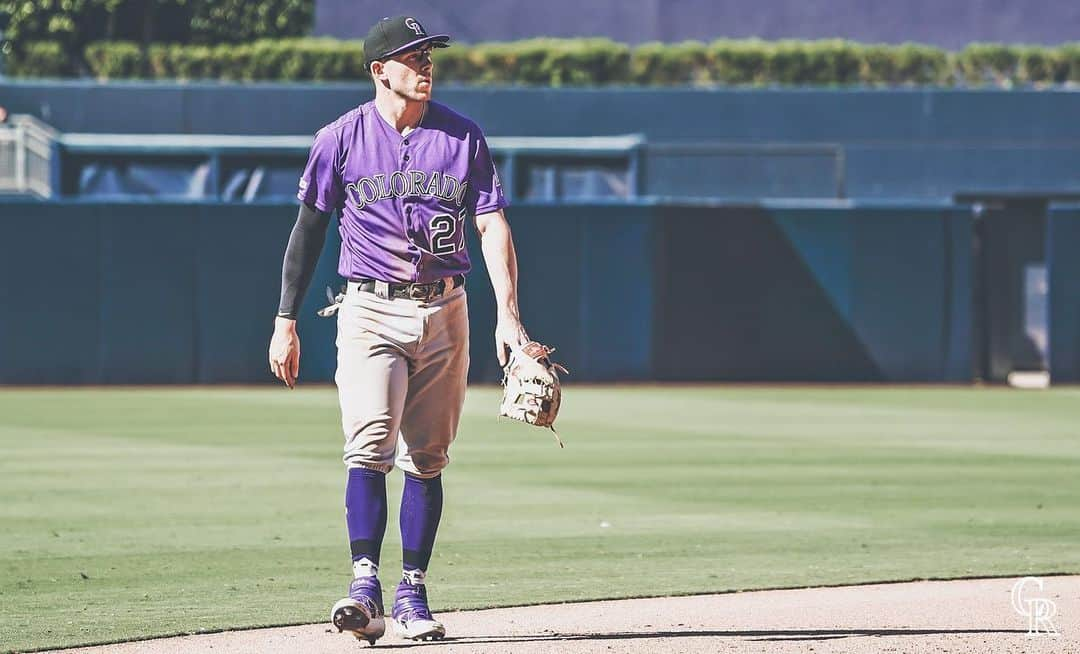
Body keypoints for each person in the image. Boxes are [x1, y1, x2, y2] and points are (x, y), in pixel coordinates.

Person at [268, 14, 529, 644]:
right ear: (380, 70)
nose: (426, 66)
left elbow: (492, 225)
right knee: (370, 445)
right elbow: (308, 232)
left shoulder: (463, 138)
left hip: (447, 308)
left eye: (430, 56)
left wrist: (511, 319)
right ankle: (365, 583)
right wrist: (285, 321)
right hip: (369, 308)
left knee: (428, 458)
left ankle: (412, 590)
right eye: (413, 57)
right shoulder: (340, 138)